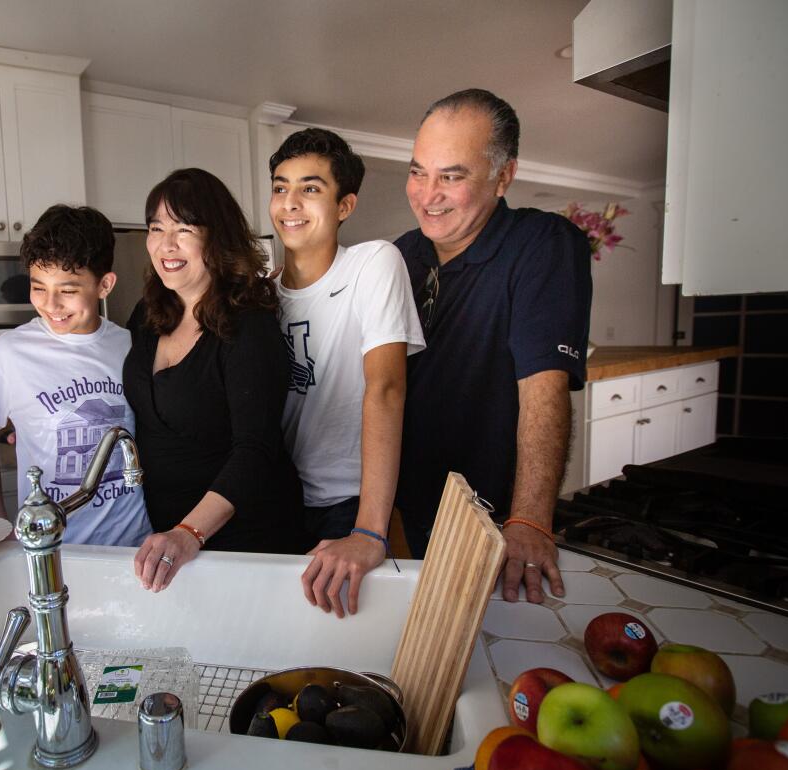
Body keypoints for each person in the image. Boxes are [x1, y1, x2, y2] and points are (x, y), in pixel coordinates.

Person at [393, 89, 592, 604]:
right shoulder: (398, 256)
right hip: (406, 512)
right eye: (418, 172)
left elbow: (544, 388)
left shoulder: (543, 244)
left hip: (495, 524)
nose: (427, 193)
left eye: (451, 176)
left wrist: (529, 519)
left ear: (504, 176)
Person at [269, 129, 426, 618]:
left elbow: (386, 387)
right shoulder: (258, 294)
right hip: (276, 500)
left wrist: (369, 532)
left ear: (345, 205)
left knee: (349, 645)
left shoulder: (373, 263)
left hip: (352, 504)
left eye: (310, 188)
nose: (290, 203)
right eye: (280, 187)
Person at [126, 168, 304, 592]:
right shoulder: (147, 315)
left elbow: (255, 452)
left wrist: (190, 531)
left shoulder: (248, 327)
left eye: (184, 228)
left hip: (247, 541)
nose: (166, 243)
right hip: (170, 540)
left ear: (216, 237)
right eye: (156, 228)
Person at [0, 204, 151, 546]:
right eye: (38, 287)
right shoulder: (11, 352)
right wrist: (0, 529)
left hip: (135, 545)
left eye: (67, 291)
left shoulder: (129, 345)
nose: (51, 304)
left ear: (105, 285)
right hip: (57, 549)